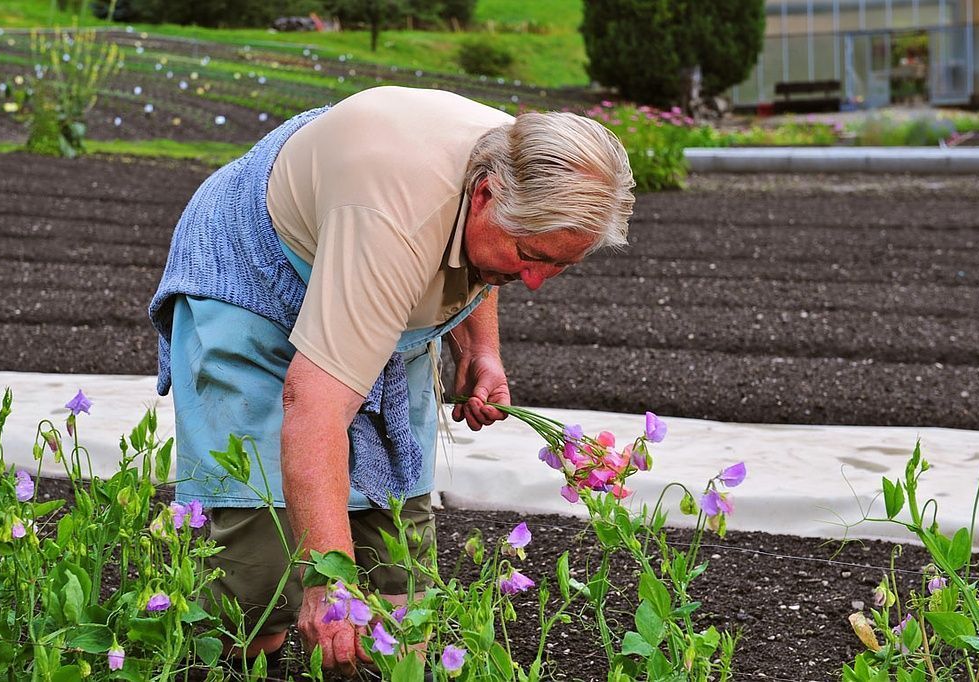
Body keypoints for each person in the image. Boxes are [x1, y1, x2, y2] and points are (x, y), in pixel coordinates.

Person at [149, 85, 635, 675]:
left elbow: (480, 257)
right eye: (532, 254)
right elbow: (314, 407)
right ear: (484, 195)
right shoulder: (394, 219)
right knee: (263, 568)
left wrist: (480, 348)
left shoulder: (529, 162)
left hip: (372, 254)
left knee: (396, 577)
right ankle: (244, 656)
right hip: (256, 273)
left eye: (560, 265)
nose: (536, 280)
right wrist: (326, 582)